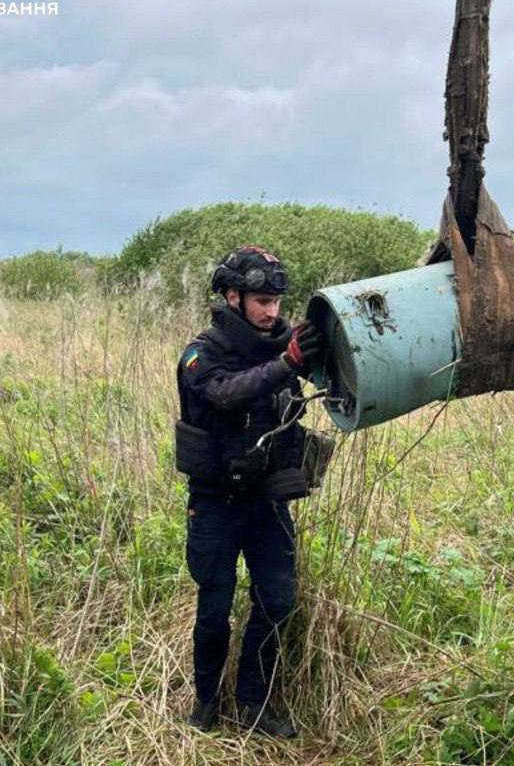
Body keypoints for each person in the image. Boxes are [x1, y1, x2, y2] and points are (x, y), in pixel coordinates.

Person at [174, 245, 327, 737]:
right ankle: (205, 701)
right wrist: (289, 363)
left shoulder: (285, 347)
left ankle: (254, 703)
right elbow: (224, 393)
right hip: (216, 502)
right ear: (233, 296)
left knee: (278, 601)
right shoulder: (202, 353)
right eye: (261, 300)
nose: (271, 311)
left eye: (277, 302)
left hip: (267, 501)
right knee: (214, 605)